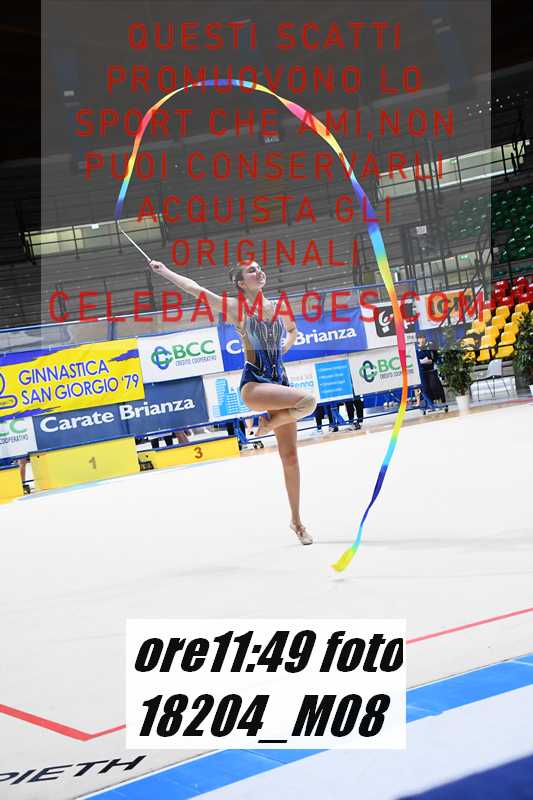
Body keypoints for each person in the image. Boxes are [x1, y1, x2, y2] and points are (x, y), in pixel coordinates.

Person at [148, 258, 316, 545]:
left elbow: (292, 329)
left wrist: (284, 347)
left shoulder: (279, 307)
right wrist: (165, 272)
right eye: (251, 270)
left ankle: (297, 522)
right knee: (308, 401)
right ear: (241, 283)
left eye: (259, 267)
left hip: (280, 382)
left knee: (290, 457)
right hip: (255, 384)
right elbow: (196, 289)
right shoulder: (236, 308)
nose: (258, 271)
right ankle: (268, 424)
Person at [416, 333, 446, 407]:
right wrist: (420, 362)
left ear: (425, 338)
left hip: (431, 370)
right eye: (420, 338)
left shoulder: (431, 345)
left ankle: (442, 400)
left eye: (423, 338)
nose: (421, 340)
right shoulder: (415, 348)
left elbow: (436, 357)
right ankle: (430, 403)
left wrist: (432, 360)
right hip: (422, 372)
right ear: (417, 340)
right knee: (425, 388)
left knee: (434, 385)